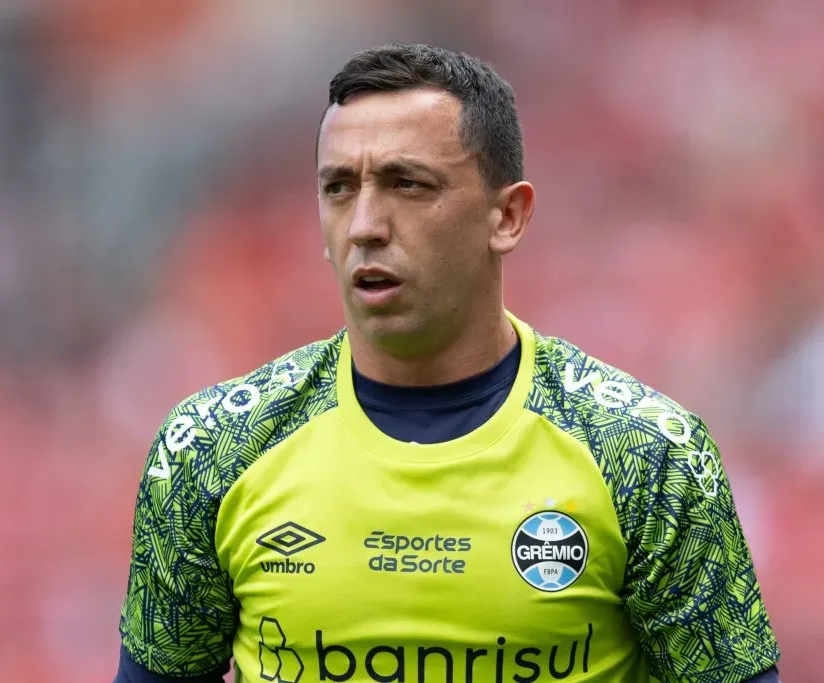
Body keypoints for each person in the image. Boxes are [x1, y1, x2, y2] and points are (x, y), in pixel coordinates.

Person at [114, 44, 781, 683]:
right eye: (340, 188)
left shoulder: (644, 454)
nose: (366, 224)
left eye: (408, 183)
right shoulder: (214, 447)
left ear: (508, 216)